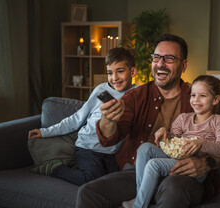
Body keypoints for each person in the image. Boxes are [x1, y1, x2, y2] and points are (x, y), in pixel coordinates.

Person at [72, 34, 220, 208]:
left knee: (173, 188)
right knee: (89, 193)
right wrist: (108, 119)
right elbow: (110, 137)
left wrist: (206, 163)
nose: (160, 64)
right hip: (135, 173)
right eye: (156, 57)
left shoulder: (197, 96)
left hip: (180, 174)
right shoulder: (135, 96)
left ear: (184, 65)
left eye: (169, 58)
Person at [108, 75, 220, 208]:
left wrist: (201, 143)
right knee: (144, 148)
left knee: (153, 165)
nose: (196, 100)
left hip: (192, 165)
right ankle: (140, 195)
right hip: (176, 156)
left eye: (202, 96)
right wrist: (164, 131)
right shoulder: (184, 118)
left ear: (216, 100)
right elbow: (172, 138)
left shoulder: (217, 121)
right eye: (193, 95)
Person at [27, 47, 137, 186]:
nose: (114, 78)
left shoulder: (137, 95)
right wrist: (45, 132)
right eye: (110, 73)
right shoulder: (101, 90)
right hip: (88, 148)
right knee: (91, 179)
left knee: (111, 184)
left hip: (111, 153)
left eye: (120, 71)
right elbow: (77, 118)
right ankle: (55, 169)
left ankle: (78, 167)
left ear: (132, 71)